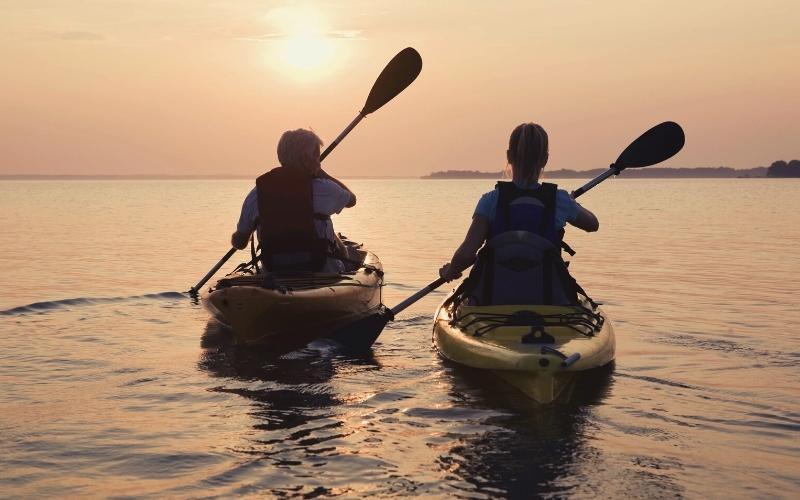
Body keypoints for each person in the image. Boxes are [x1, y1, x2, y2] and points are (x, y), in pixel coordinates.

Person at [438, 122, 599, 305]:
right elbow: (593, 224)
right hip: (546, 298)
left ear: (509, 156)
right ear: (545, 159)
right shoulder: (559, 201)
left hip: (494, 298)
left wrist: (451, 270)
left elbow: (467, 254)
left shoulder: (490, 200)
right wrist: (572, 204)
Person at [231, 128, 357, 273]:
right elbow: (351, 200)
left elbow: (239, 243)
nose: (318, 160)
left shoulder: (257, 193)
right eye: (317, 156)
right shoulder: (324, 188)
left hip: (274, 272)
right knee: (334, 239)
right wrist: (322, 173)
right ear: (308, 158)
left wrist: (247, 230)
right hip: (322, 272)